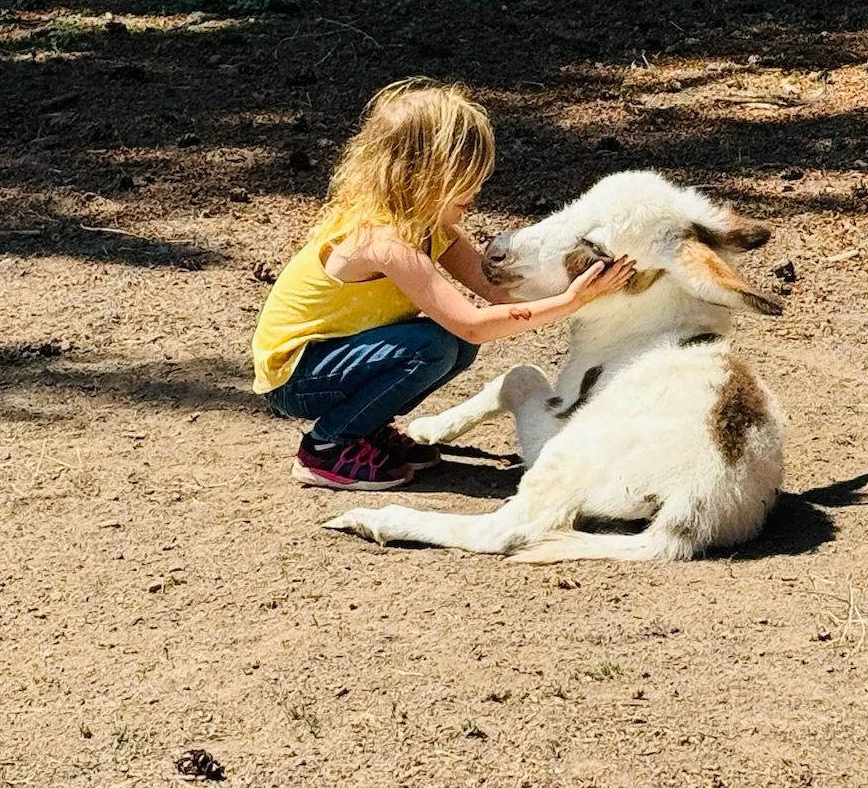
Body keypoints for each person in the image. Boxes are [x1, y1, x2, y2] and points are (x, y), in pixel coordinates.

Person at [252, 79, 634, 489]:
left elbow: (494, 292)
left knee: (452, 346)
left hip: (341, 358)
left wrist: (564, 276)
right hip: (297, 377)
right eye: (465, 179)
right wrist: (572, 301)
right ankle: (326, 447)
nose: (476, 193)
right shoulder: (384, 242)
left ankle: (365, 426)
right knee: (436, 345)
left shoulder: (433, 229)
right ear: (420, 176)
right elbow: (474, 321)